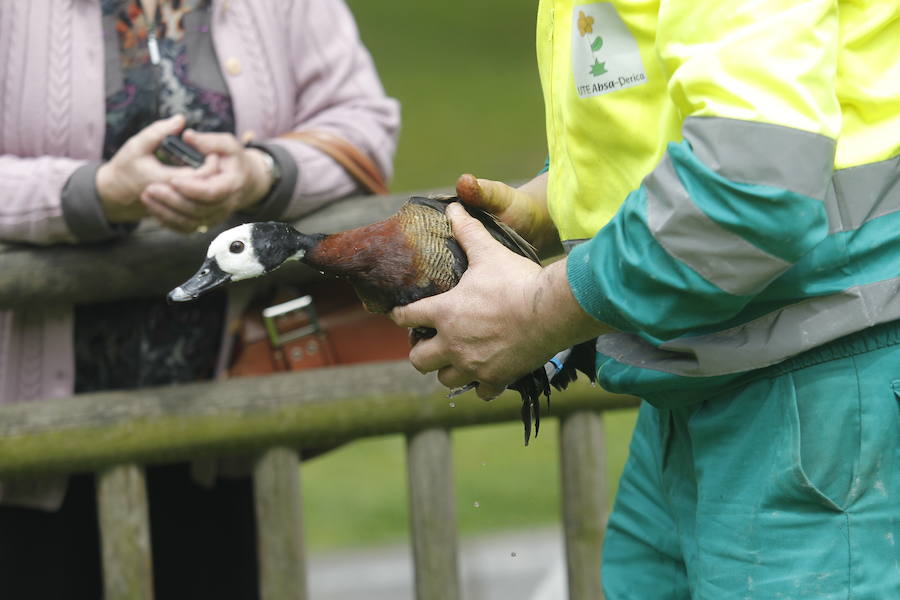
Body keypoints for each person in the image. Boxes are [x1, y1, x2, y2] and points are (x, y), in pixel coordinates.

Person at [392, 0, 900, 597]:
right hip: (711, 375)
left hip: (822, 391)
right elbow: (696, 121)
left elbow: (749, 186)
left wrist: (535, 313)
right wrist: (560, 203)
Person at [0, 0, 398, 597]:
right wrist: (95, 193)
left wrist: (261, 173)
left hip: (230, 433)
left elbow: (363, 126)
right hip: (27, 446)